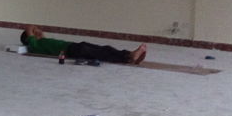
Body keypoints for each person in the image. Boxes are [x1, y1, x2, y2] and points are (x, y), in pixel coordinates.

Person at [19, 25, 147, 65]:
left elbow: (36, 33)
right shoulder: (35, 44)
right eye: (35, 32)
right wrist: (31, 31)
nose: (38, 31)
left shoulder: (41, 41)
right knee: (100, 53)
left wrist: (37, 32)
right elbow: (29, 28)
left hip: (74, 46)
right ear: (30, 38)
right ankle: (127, 58)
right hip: (71, 50)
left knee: (105, 49)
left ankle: (129, 55)